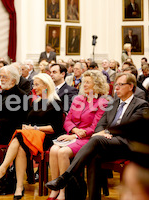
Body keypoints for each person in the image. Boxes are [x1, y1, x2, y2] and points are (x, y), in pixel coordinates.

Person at [45, 73, 149, 200]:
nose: (116, 88)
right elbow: (100, 125)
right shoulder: (114, 103)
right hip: (108, 143)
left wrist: (108, 133)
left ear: (131, 86)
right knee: (93, 156)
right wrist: (102, 132)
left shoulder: (141, 104)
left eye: (120, 85)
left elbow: (131, 128)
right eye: (116, 84)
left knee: (96, 139)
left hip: (126, 144)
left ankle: (65, 177)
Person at [0, 73, 63, 199]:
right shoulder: (36, 101)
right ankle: (19, 187)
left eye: (37, 84)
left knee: (19, 137)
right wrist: (28, 127)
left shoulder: (55, 103)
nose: (34, 87)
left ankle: (3, 169)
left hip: (46, 139)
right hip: (29, 136)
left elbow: (55, 128)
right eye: (33, 84)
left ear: (46, 86)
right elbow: (28, 121)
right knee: (20, 146)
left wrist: (35, 128)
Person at [47, 70, 109, 200]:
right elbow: (68, 120)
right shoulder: (78, 99)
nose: (84, 84)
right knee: (53, 149)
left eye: (87, 82)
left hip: (88, 139)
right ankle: (55, 188)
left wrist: (76, 136)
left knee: (63, 152)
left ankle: (64, 191)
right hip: (74, 134)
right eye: (83, 82)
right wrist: (74, 131)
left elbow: (96, 127)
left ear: (96, 84)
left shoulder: (102, 102)